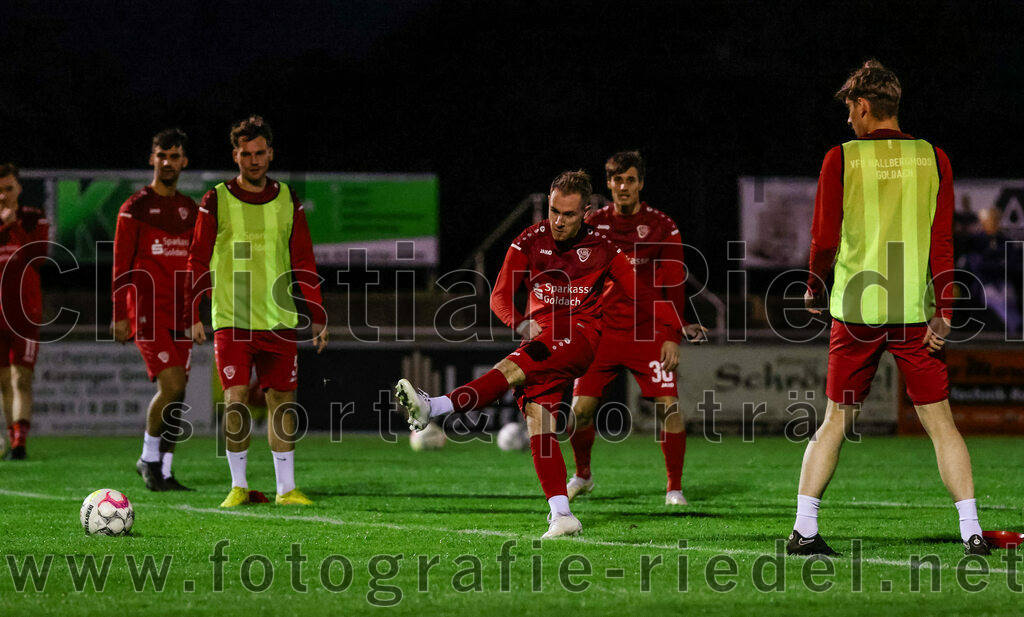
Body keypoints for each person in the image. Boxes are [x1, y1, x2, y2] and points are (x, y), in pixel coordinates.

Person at [396, 170, 688, 538]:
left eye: (568, 214)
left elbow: (642, 295)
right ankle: (562, 514)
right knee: (539, 418)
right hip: (540, 337)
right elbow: (499, 295)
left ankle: (435, 407)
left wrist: (675, 327)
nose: (558, 221)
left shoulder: (603, 249)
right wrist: (519, 323)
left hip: (581, 337)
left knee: (511, 368)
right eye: (553, 211)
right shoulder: (529, 241)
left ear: (585, 212)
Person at [794, 60, 990, 556]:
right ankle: (972, 531)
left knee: (835, 420)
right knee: (941, 423)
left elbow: (823, 239)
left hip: (856, 309)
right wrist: (946, 306)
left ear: (862, 107)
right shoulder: (935, 158)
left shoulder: (841, 159)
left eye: (849, 111)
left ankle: (805, 530)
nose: (848, 121)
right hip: (915, 313)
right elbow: (942, 241)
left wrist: (814, 287)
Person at [186, 115, 328, 507]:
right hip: (232, 319)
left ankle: (286, 489)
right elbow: (197, 259)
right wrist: (193, 313)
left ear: (270, 153)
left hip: (280, 319)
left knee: (282, 402)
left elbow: (303, 258)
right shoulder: (216, 199)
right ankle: (238, 485)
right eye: (246, 154)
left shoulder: (288, 198)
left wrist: (316, 314)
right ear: (235, 155)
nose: (254, 160)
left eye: (260, 153)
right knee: (235, 400)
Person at [568, 151, 705, 506]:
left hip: (647, 333)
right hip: (601, 332)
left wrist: (672, 336)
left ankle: (674, 488)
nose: (623, 186)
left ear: (641, 183)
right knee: (580, 410)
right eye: (617, 180)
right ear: (609, 184)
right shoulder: (592, 224)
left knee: (668, 406)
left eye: (630, 180)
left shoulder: (662, 226)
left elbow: (673, 284)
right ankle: (583, 475)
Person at [112, 129, 197, 490]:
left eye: (174, 156)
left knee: (180, 393)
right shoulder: (135, 207)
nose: (167, 162)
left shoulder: (191, 210)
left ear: (183, 161)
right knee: (172, 383)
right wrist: (118, 313)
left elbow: (198, 264)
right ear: (152, 159)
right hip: (147, 312)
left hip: (181, 313)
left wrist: (196, 313)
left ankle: (165, 469)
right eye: (161, 155)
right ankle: (147, 458)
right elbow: (120, 264)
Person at [0, 163, 48, 460]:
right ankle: (11, 436)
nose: (3, 195)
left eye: (8, 188)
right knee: (4, 381)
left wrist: (13, 225)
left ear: (18, 188)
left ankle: (20, 443)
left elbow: (39, 256)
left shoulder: (33, 217)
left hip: (25, 314)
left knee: (21, 379)